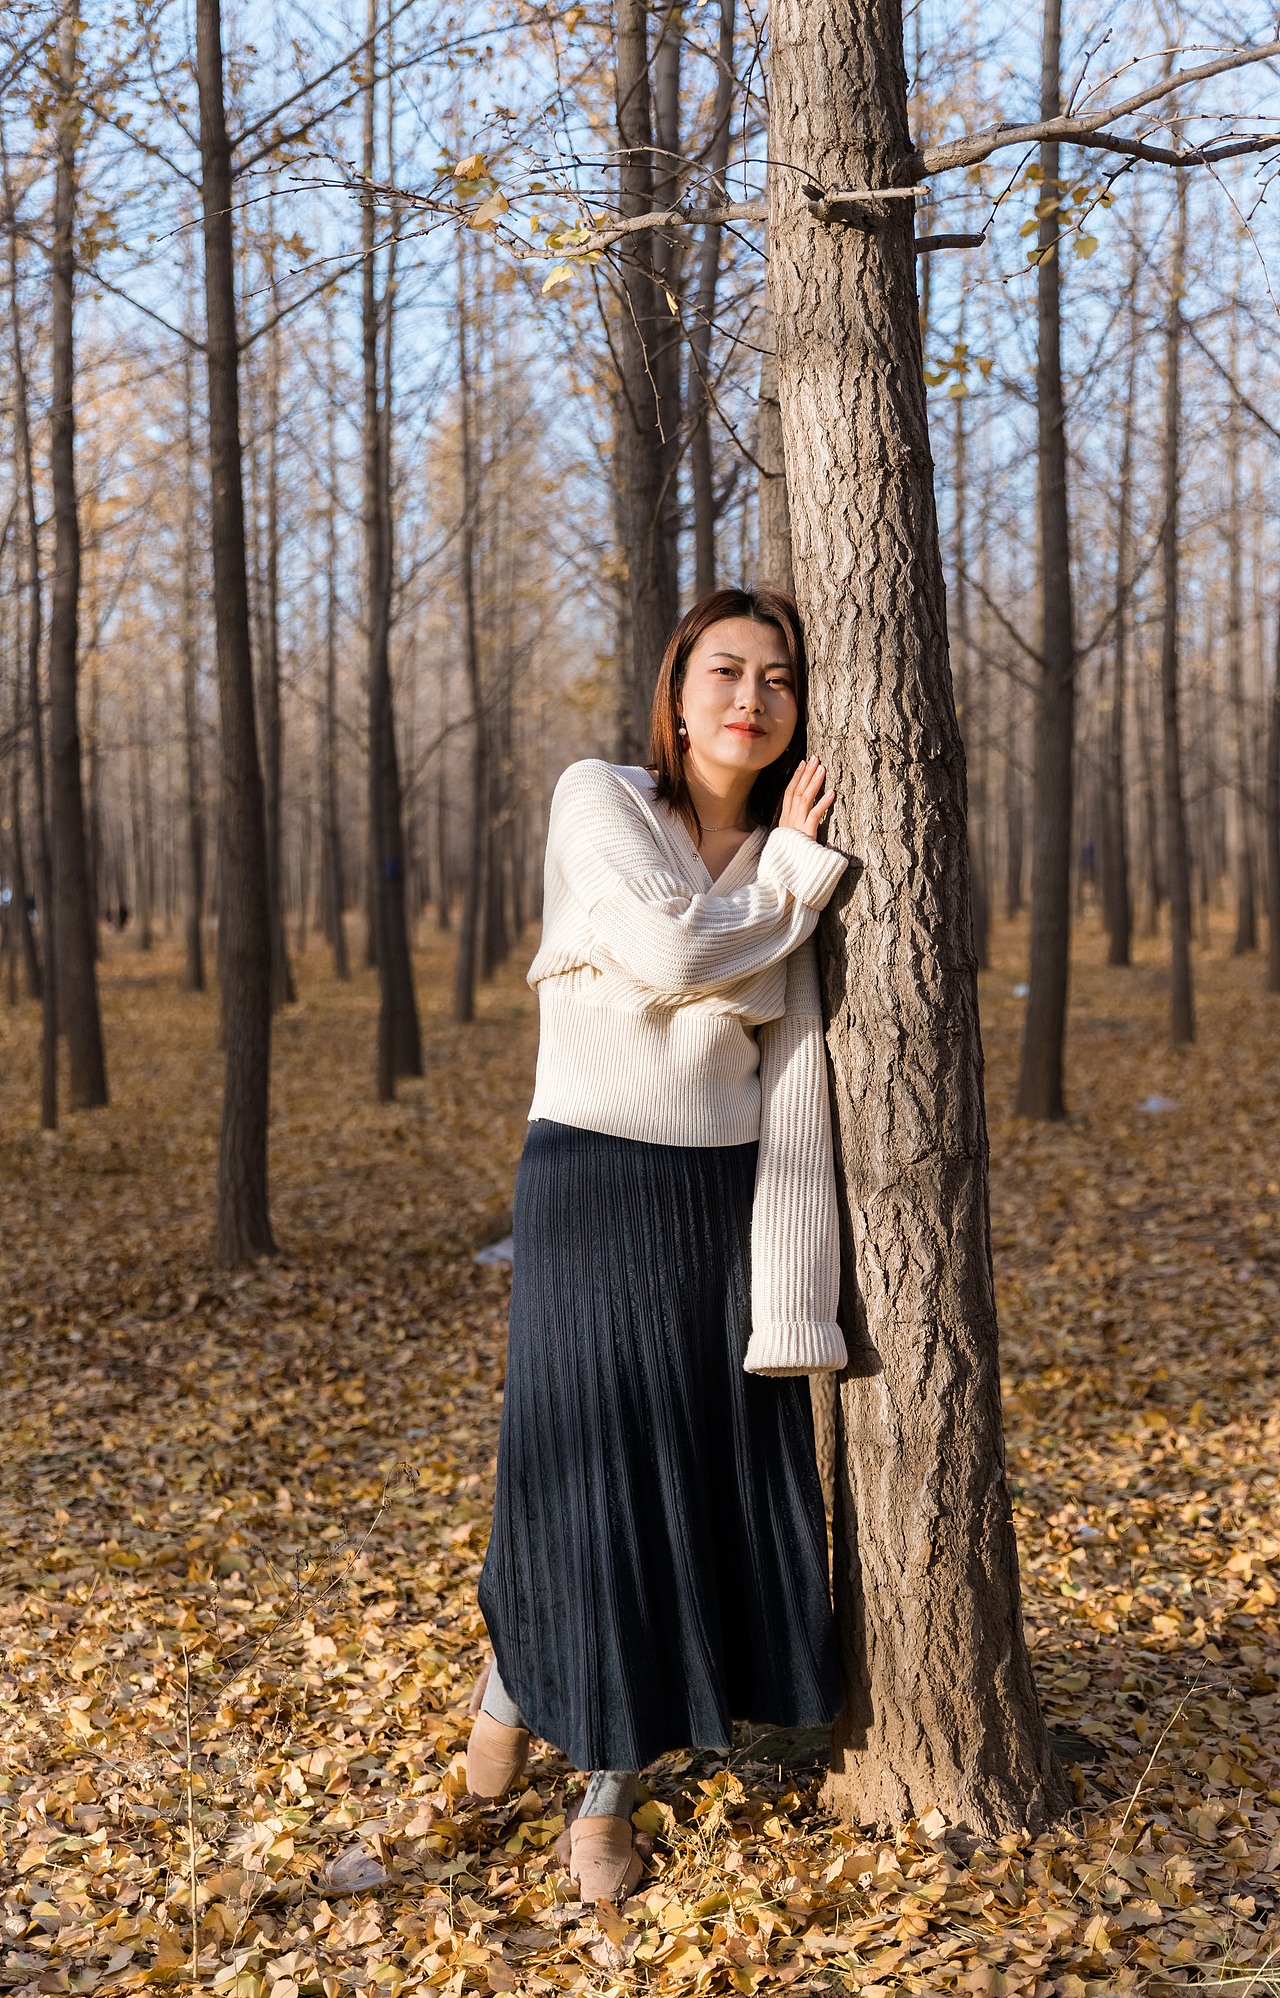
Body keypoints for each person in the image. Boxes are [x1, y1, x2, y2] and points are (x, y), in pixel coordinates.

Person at [470, 587, 848, 1902]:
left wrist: (800, 1290)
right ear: (678, 691)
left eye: (778, 678)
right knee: (579, 1472)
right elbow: (664, 944)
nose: (751, 698)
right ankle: (516, 1682)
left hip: (721, 1199)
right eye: (725, 671)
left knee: (684, 1485)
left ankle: (606, 1790)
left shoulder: (798, 863)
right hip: (587, 1180)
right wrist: (779, 904)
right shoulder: (602, 799)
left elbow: (789, 1064)